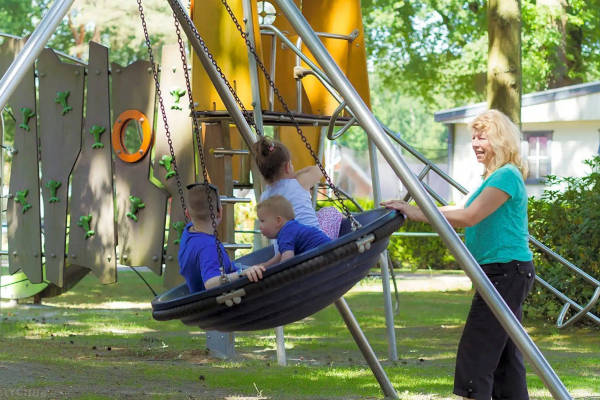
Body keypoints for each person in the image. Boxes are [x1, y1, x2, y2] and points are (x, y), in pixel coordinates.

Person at [381, 109, 535, 400]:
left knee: (475, 354)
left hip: (506, 272)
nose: (476, 143)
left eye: (483, 137)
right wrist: (412, 210)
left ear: (501, 140)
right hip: (502, 271)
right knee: (504, 359)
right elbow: (453, 210)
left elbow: (469, 216)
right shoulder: (491, 177)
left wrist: (416, 212)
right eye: (474, 137)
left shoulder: (506, 176)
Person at [178, 183, 265, 292]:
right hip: (219, 303)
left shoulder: (189, 232)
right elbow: (210, 283)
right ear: (220, 212)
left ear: (187, 214)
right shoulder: (208, 247)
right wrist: (240, 274)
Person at [252, 136, 342, 239]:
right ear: (287, 167)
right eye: (291, 165)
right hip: (316, 244)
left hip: (286, 249)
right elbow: (319, 171)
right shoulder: (299, 183)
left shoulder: (265, 197)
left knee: (317, 215)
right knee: (330, 211)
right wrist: (295, 175)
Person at [253, 195, 331, 270]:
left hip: (324, 256)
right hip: (330, 250)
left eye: (262, 221)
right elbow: (280, 255)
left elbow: (287, 261)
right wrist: (265, 265)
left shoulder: (285, 233)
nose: (260, 226)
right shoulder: (290, 228)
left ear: (278, 221)